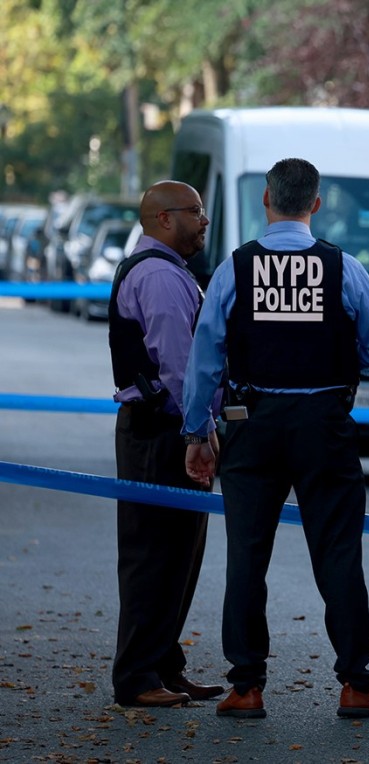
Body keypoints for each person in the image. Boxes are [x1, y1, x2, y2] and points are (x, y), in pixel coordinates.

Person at [181, 158, 369, 719]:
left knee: (246, 560)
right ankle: (356, 684)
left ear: (267, 200)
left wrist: (196, 431)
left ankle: (246, 686)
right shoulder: (343, 267)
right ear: (317, 204)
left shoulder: (235, 269)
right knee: (339, 557)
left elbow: (205, 357)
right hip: (325, 425)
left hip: (252, 423)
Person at [107, 181, 226, 708]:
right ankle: (137, 677)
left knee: (178, 555)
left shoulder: (165, 270)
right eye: (195, 212)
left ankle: (162, 665)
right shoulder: (157, 276)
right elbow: (180, 367)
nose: (204, 221)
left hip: (163, 429)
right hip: (162, 431)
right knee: (153, 556)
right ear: (162, 219)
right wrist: (198, 431)